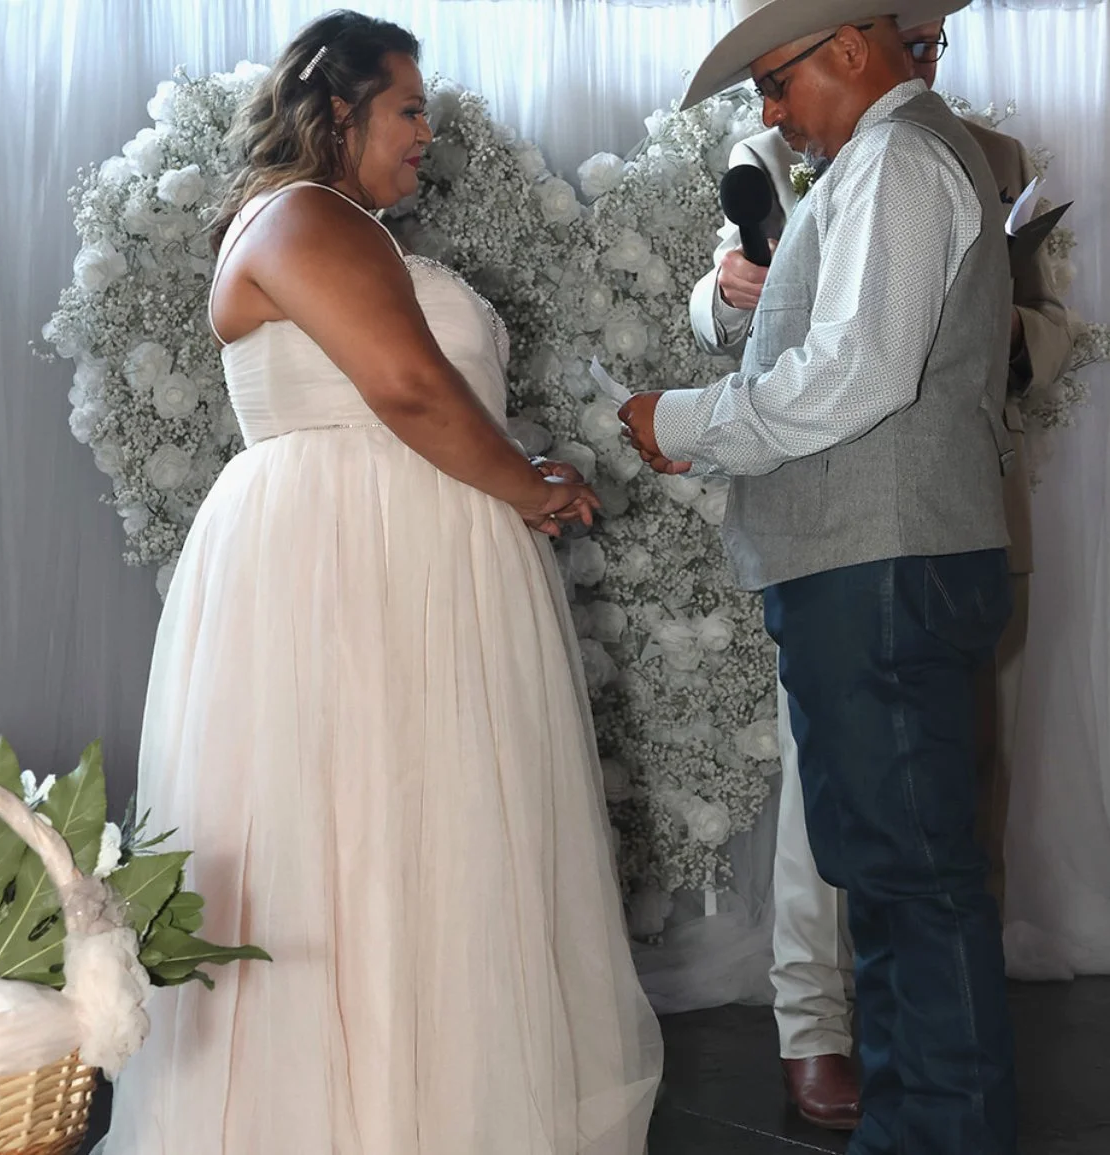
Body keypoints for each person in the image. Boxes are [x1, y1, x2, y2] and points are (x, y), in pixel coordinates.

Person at [100, 12, 662, 1153]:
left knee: (418, 838)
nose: (427, 134)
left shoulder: (341, 227)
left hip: (399, 552)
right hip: (348, 567)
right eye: (410, 109)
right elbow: (405, 386)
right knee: (352, 836)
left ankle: (426, 1107)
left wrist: (513, 465)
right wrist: (529, 489)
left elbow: (420, 399)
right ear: (339, 107)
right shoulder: (304, 215)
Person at [620, 1, 1019, 1151]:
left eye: (775, 81)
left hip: (882, 566)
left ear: (848, 45)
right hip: (875, 562)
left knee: (913, 887)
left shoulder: (896, 156)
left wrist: (680, 421)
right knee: (898, 882)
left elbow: (853, 375)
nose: (771, 112)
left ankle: (945, 1134)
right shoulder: (883, 158)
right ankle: (918, 1126)